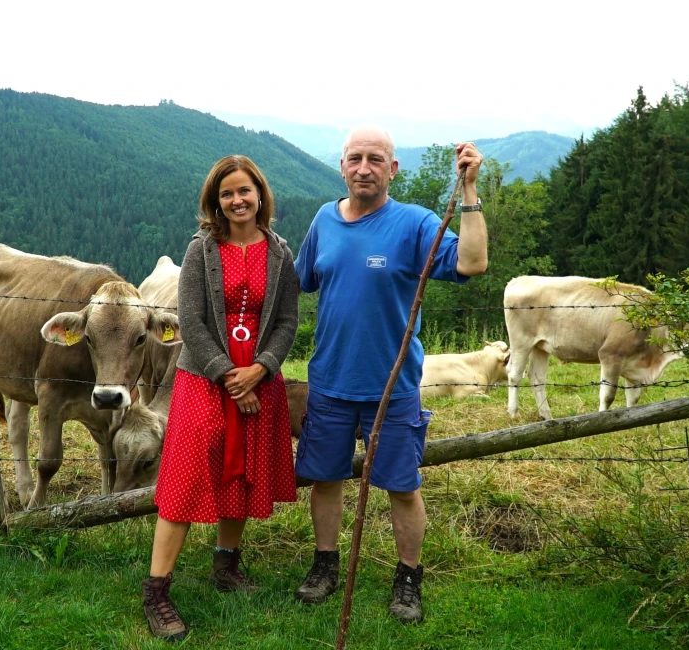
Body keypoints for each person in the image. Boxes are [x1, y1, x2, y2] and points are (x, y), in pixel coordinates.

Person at [293, 127, 487, 624]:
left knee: (401, 486)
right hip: (330, 383)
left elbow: (473, 262)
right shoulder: (323, 220)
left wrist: (468, 192)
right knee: (325, 480)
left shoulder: (415, 224)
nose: (364, 167)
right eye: (354, 158)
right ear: (341, 167)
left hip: (393, 388)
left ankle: (408, 579)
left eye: (375, 159)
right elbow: (299, 280)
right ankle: (325, 564)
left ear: (392, 169)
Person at [141, 155, 301, 642]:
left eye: (244, 191)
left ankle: (225, 567)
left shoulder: (279, 253)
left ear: (260, 196)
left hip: (259, 380)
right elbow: (189, 321)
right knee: (186, 480)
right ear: (215, 201)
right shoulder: (201, 251)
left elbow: (287, 322)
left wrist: (260, 370)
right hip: (203, 383)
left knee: (244, 470)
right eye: (227, 194)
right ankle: (157, 590)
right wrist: (230, 376)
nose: (237, 201)